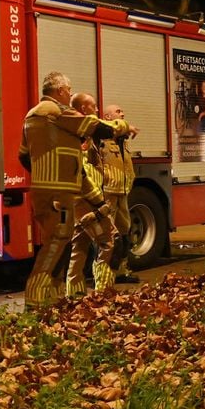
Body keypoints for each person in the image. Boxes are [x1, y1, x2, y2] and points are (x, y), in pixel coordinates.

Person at [18, 73, 128, 311]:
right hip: (61, 195)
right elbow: (97, 127)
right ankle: (36, 303)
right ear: (59, 90)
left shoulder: (31, 116)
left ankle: (60, 303)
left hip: (55, 193)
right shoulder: (57, 112)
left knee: (65, 246)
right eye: (68, 90)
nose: (69, 94)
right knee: (58, 246)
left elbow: (24, 156)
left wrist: (44, 175)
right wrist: (123, 126)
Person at [65, 92, 119, 298]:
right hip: (87, 201)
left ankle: (75, 295)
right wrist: (99, 204)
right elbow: (83, 174)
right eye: (94, 107)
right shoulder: (80, 135)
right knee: (109, 242)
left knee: (79, 247)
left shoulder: (77, 133)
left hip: (78, 202)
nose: (97, 110)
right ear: (84, 109)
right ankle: (103, 294)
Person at [99, 103, 141, 284]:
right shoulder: (101, 136)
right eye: (118, 112)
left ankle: (122, 271)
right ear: (108, 117)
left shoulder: (122, 141)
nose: (122, 114)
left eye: (123, 111)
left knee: (125, 233)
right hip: (108, 194)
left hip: (122, 193)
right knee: (108, 236)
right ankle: (104, 276)